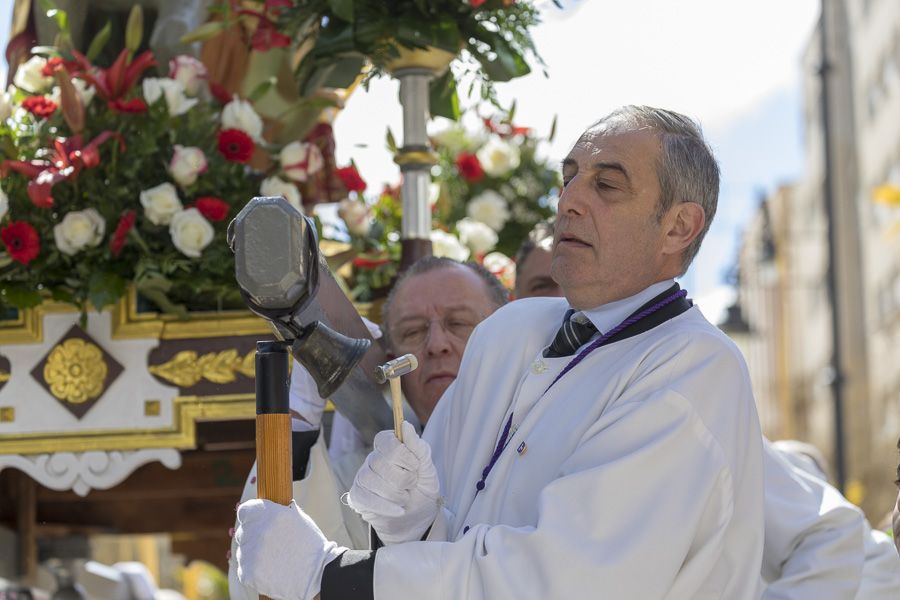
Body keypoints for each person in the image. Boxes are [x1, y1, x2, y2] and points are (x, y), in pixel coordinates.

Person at [233, 105, 766, 599]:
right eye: (569, 178)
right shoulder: (509, 331)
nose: (570, 200)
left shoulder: (693, 369)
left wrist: (327, 577)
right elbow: (460, 536)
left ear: (678, 226)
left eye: (606, 184)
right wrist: (416, 524)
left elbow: (565, 577)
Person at [518, 221, 900, 597]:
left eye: (576, 277)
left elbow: (832, 532)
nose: (566, 300)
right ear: (512, 299)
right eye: (543, 287)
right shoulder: (496, 391)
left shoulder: (676, 393)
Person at [228, 257, 508, 598]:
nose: (436, 344)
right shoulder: (367, 482)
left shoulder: (548, 438)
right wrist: (298, 420)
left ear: (506, 331)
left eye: (459, 323)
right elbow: (265, 571)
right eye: (413, 331)